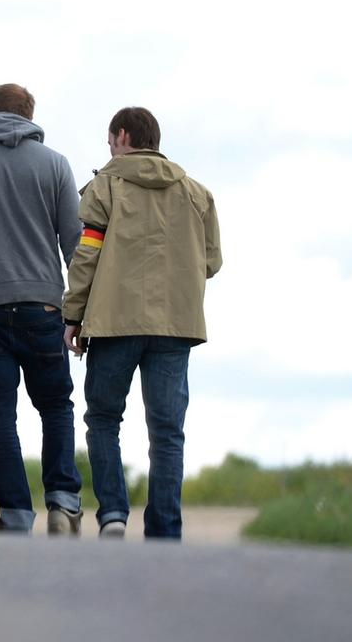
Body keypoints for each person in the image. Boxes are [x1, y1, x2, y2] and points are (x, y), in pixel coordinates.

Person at [64, 106, 222, 540]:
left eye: (109, 140)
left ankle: (114, 514)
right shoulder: (197, 193)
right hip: (176, 326)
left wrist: (72, 314)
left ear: (121, 136)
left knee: (103, 420)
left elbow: (87, 255)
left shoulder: (104, 187)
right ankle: (165, 530)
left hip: (114, 323)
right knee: (168, 432)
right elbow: (211, 261)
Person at [0, 83, 84, 536]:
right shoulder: (55, 165)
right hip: (44, 304)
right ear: (31, 116)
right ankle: (63, 502)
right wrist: (79, 310)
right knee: (56, 407)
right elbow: (75, 241)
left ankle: (14, 514)